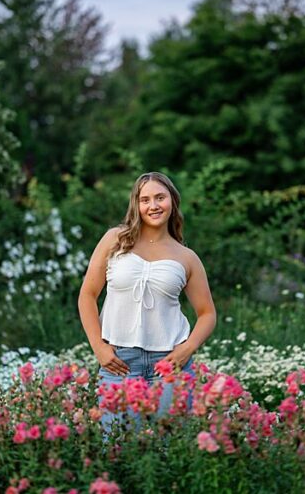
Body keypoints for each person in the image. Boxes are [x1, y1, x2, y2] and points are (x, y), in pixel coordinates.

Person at [78, 172, 216, 429]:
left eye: (160, 197)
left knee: (168, 447)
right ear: (136, 204)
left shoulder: (187, 257)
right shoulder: (115, 240)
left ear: (172, 201)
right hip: (119, 362)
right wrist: (98, 347)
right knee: (117, 445)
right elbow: (87, 295)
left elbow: (207, 313)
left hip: (170, 365)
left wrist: (187, 349)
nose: (153, 205)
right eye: (145, 200)